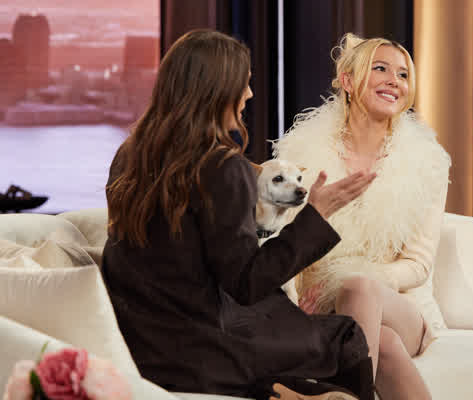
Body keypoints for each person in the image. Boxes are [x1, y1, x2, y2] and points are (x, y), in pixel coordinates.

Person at [101, 29, 377, 400]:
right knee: (346, 336)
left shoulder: (129, 155)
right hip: (203, 353)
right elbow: (247, 282)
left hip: (145, 348)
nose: (249, 94)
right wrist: (317, 214)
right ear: (217, 90)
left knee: (287, 326)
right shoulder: (221, 167)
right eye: (243, 84)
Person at [273, 33, 451, 400]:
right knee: (382, 345)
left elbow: (417, 264)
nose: (394, 81)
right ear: (349, 82)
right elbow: (282, 241)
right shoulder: (301, 154)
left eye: (403, 74)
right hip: (322, 306)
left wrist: (360, 277)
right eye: (380, 69)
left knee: (359, 287)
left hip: (400, 309)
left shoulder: (428, 163)